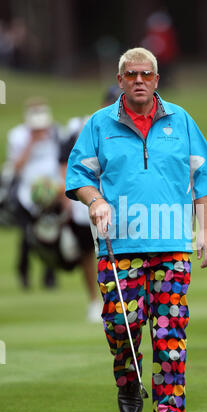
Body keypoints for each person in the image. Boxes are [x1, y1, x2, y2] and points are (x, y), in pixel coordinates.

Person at [65, 47, 207, 412]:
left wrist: (205, 230)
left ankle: (170, 410)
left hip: (172, 246)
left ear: (156, 80)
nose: (139, 80)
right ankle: (128, 378)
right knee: (121, 324)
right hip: (119, 245)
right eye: (131, 74)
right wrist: (96, 200)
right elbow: (79, 176)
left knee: (170, 330)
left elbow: (202, 178)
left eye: (146, 74)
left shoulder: (181, 121)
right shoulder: (99, 124)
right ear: (120, 80)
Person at [60, 85, 121, 322]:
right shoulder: (83, 126)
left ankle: (120, 299)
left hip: (120, 201)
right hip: (87, 200)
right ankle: (95, 301)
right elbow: (64, 159)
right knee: (88, 253)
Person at [6, 98, 61, 288]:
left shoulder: (55, 132)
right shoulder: (17, 136)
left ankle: (50, 277)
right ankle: (24, 273)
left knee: (52, 236)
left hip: (52, 192)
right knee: (27, 237)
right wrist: (31, 142)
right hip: (26, 194)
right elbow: (17, 166)